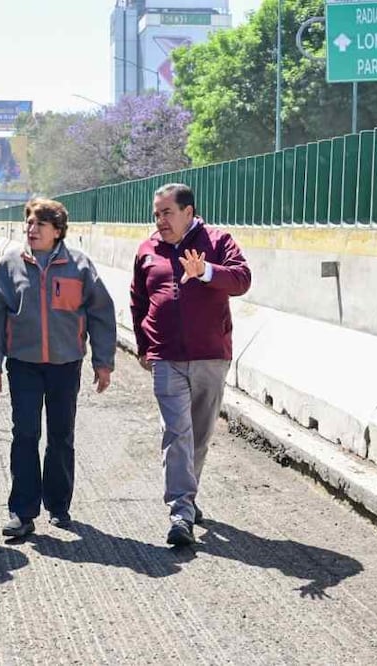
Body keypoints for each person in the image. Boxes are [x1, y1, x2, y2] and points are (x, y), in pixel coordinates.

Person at [0, 198, 116, 538]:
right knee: (24, 434)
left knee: (61, 435)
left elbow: (101, 314)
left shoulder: (79, 266)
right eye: (29, 223)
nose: (32, 229)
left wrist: (103, 361)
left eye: (40, 224)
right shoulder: (9, 266)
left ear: (57, 231)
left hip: (65, 365)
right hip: (23, 364)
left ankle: (59, 505)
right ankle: (22, 512)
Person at [129, 183, 251, 547]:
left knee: (198, 434)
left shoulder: (218, 240)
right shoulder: (147, 250)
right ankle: (181, 510)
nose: (160, 221)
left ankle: (188, 494)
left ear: (188, 211)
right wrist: (143, 345)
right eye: (156, 214)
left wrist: (207, 272)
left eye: (167, 212)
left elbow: (242, 280)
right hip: (166, 356)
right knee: (176, 433)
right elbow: (138, 300)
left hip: (211, 355)